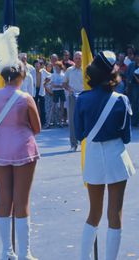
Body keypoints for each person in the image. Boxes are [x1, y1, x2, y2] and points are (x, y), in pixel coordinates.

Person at [0, 26, 41, 259]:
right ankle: (25, 251)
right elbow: (37, 128)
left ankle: (6, 251)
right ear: (20, 76)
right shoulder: (26, 98)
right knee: (22, 202)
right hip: (23, 149)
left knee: (4, 200)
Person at [75, 51, 135, 260]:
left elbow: (80, 133)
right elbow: (126, 137)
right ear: (113, 74)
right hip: (116, 157)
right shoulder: (122, 100)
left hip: (93, 158)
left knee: (93, 213)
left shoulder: (82, 99)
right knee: (114, 214)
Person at [63, 51, 84, 152]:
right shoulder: (69, 70)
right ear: (73, 59)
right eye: (76, 58)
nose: (78, 59)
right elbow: (64, 83)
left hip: (85, 97)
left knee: (85, 120)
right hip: (73, 97)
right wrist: (69, 89)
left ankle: (84, 143)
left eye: (79, 58)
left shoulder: (86, 70)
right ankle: (73, 144)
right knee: (72, 121)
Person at [50, 61, 66, 127]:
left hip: (61, 91)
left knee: (62, 107)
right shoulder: (53, 75)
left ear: (60, 67)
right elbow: (53, 85)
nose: (56, 68)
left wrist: (58, 86)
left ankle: (60, 122)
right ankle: (52, 121)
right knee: (53, 106)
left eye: (57, 66)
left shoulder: (63, 75)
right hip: (55, 91)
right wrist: (59, 86)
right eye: (55, 67)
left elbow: (64, 85)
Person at [126, 52, 139, 126]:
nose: (137, 58)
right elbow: (127, 76)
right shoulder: (131, 65)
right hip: (133, 86)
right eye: (136, 56)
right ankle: (134, 121)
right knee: (133, 103)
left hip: (136, 86)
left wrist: (135, 75)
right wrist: (127, 87)